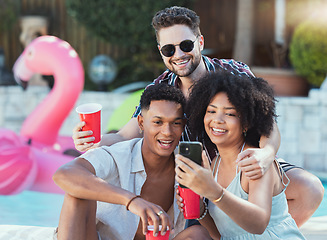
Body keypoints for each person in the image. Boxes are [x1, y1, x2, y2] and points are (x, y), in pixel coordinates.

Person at [72, 6, 324, 227]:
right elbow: (124, 135)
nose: (178, 55)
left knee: (310, 190)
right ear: (161, 51)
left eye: (186, 45)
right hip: (194, 181)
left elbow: (269, 125)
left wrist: (266, 155)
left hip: (243, 168)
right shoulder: (160, 89)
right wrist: (92, 142)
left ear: (200, 42)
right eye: (169, 49)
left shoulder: (234, 72)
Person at [53, 84, 211, 240]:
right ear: (141, 123)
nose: (167, 132)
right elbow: (63, 174)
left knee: (198, 234)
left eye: (175, 123)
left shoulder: (187, 167)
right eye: (158, 122)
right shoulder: (118, 155)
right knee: (77, 194)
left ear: (183, 126)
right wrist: (132, 201)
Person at [175, 70, 306, 239]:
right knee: (192, 234)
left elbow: (258, 224)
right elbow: (222, 235)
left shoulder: (255, 162)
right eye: (211, 111)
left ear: (246, 123)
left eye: (229, 113)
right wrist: (200, 209)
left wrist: (213, 191)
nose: (218, 120)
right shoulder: (215, 164)